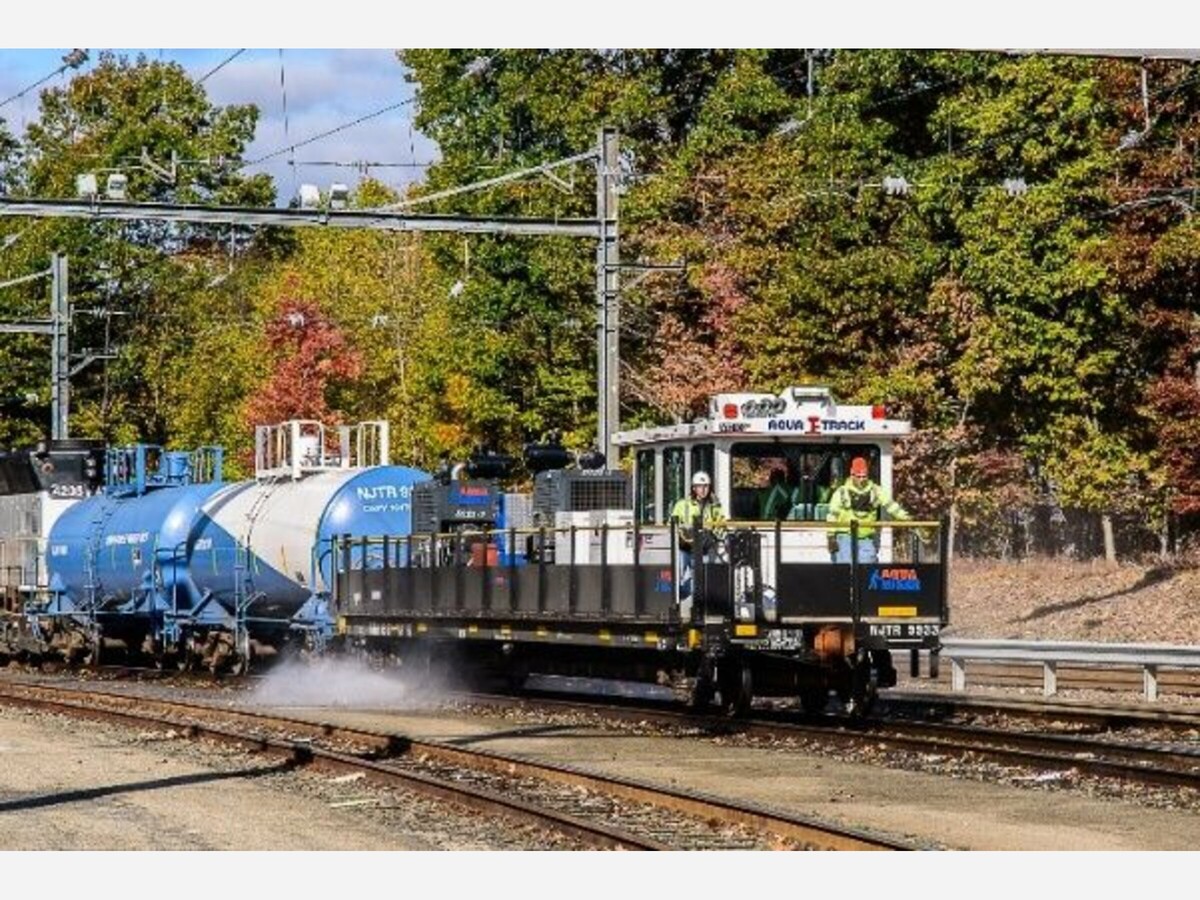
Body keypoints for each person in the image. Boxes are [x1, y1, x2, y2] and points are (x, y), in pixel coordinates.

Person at [826, 457, 909, 563]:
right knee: (845, 567)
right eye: (858, 476)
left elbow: (892, 506)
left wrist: (907, 518)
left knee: (868, 566)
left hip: (866, 538)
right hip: (845, 536)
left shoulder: (876, 491)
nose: (861, 479)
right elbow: (832, 515)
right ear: (852, 474)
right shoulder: (841, 492)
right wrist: (831, 537)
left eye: (864, 476)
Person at [671, 471, 726, 596]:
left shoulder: (715, 505)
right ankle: (678, 601)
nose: (703, 489)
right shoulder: (682, 504)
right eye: (700, 486)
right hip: (684, 548)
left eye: (706, 486)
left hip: (703, 549)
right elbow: (673, 523)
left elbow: (721, 523)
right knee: (678, 577)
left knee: (700, 581)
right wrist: (681, 532)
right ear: (694, 488)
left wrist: (717, 537)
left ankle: (696, 602)